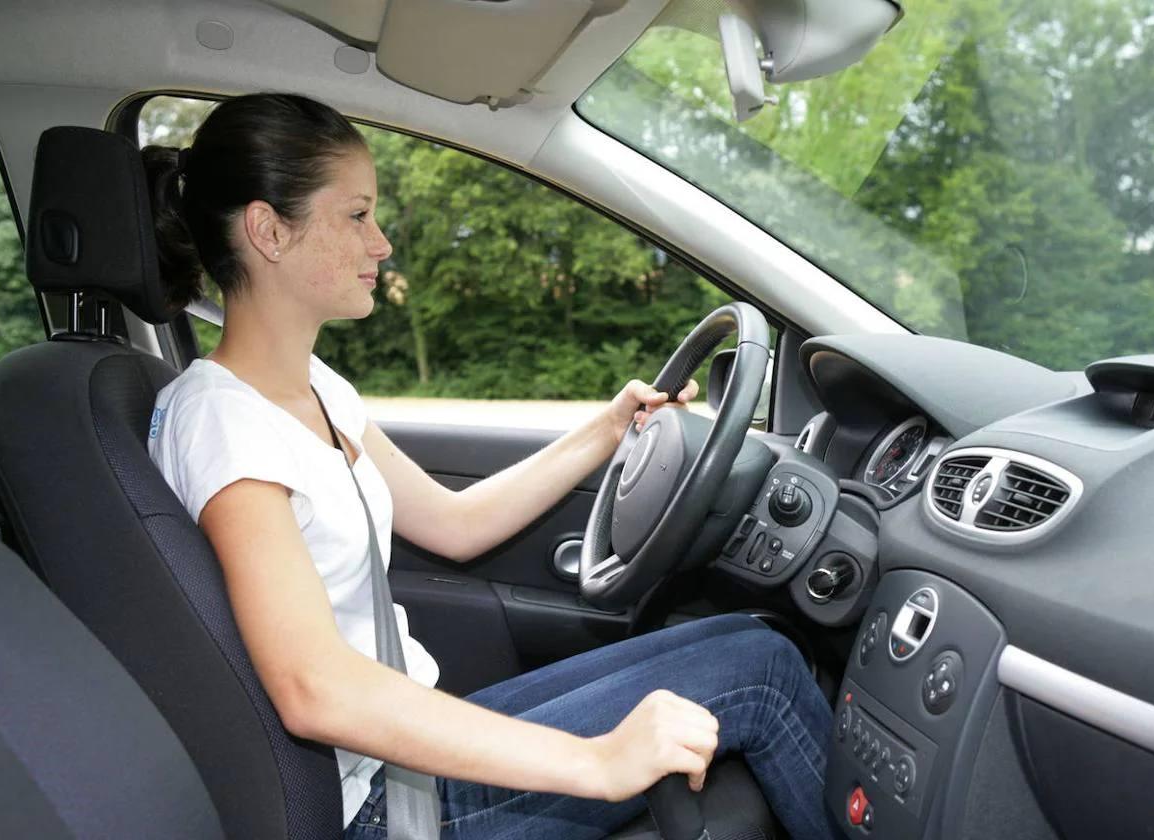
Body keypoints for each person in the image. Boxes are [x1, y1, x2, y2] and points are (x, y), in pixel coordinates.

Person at [145, 92, 836, 840]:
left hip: (404, 749)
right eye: (356, 216)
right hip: (381, 808)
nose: (381, 244)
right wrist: (597, 763)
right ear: (268, 230)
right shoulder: (220, 422)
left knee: (755, 645)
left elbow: (453, 524)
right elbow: (315, 690)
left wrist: (605, 430)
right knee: (761, 678)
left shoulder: (316, 386)